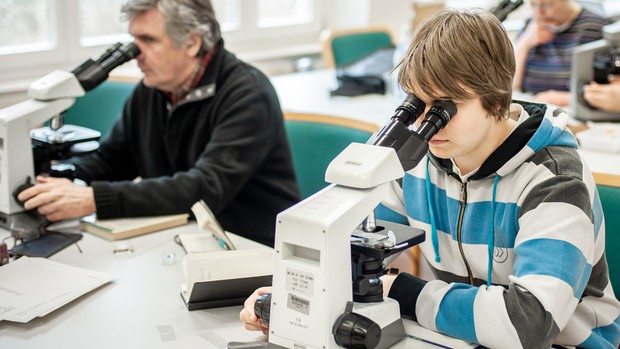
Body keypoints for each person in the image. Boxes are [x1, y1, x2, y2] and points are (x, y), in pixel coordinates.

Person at [241, 9, 620, 348]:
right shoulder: (424, 157)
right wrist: (293, 296)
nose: (425, 122)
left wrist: (401, 291)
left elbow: (529, 325)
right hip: (463, 339)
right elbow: (355, 247)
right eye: (416, 103)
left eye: (444, 107)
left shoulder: (554, 180)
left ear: (496, 98)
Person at [17, 0, 300, 246]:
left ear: (192, 42)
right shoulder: (152, 90)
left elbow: (205, 189)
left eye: (148, 40)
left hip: (253, 250)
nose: (136, 55)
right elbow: (113, 159)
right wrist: (62, 179)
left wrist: (93, 198)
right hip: (184, 237)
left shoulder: (247, 93)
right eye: (133, 41)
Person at [512, 0, 611, 107]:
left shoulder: (597, 27)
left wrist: (567, 99)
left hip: (574, 111)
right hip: (532, 108)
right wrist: (525, 43)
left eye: (547, 4)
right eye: (533, 5)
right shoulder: (530, 25)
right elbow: (510, 84)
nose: (539, 12)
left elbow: (610, 93)